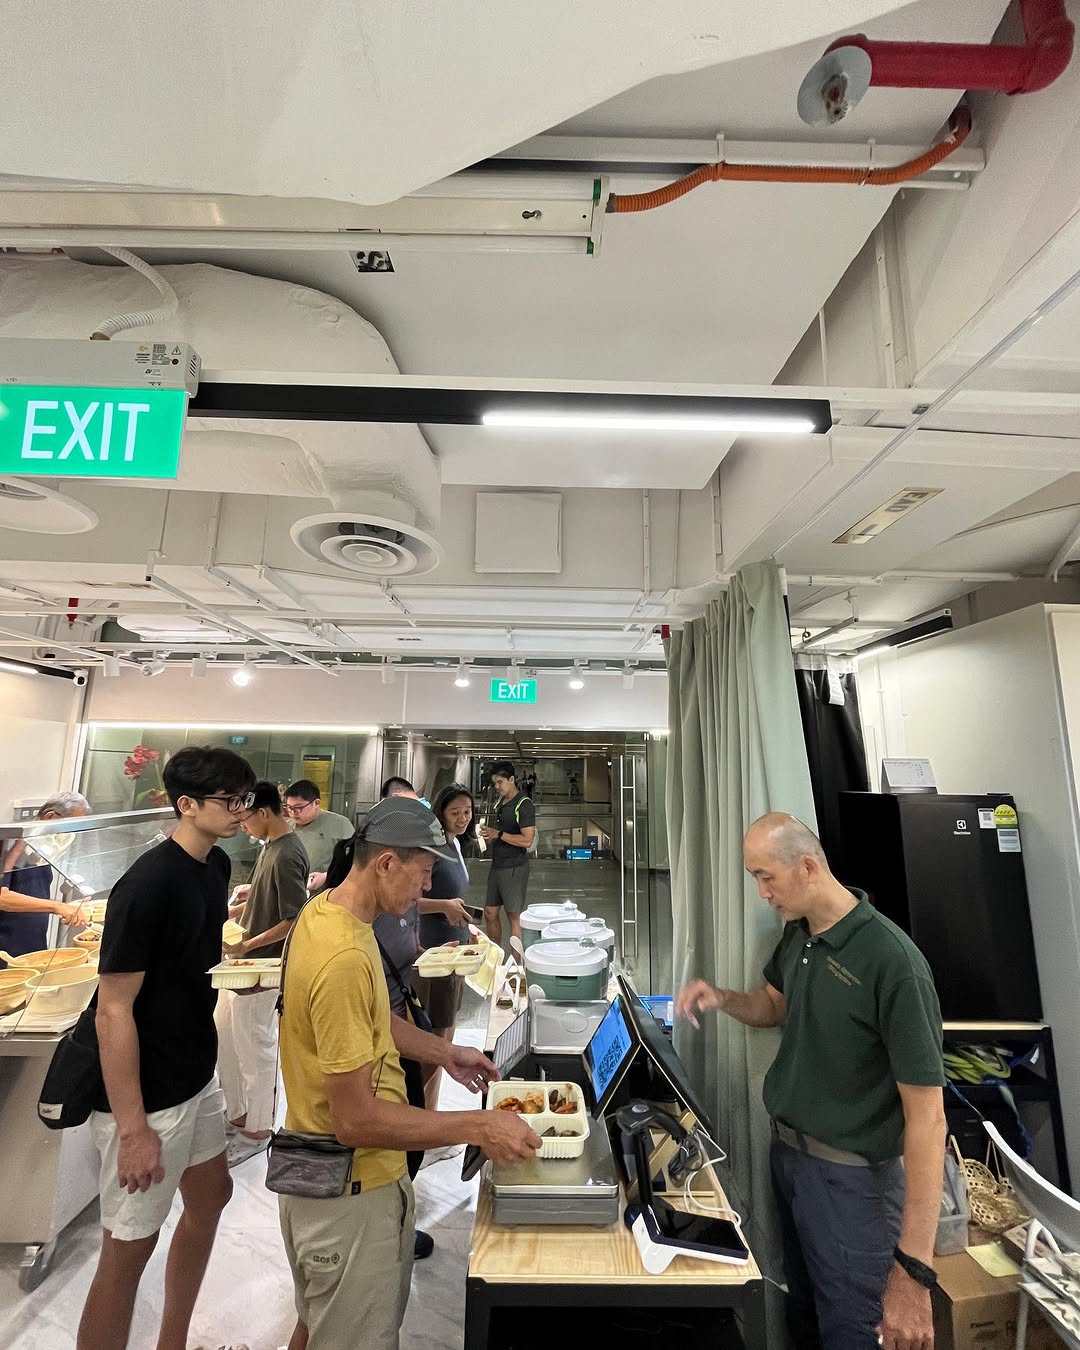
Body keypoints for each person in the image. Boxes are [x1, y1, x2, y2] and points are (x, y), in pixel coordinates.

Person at [278, 795, 540, 1350]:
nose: (426, 887)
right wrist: (478, 1126)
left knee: (316, 1324)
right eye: (422, 872)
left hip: (332, 1182)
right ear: (385, 863)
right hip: (350, 1189)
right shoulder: (344, 958)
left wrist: (444, 1053)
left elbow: (373, 1020)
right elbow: (355, 1120)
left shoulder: (327, 913)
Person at [675, 814, 946, 1350]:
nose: (762, 893)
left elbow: (929, 1119)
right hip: (791, 1162)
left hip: (853, 1185)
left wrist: (915, 1269)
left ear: (807, 866)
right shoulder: (800, 935)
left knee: (854, 1331)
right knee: (803, 1320)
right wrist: (722, 998)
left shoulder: (893, 962)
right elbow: (773, 1005)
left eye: (766, 877)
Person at [77, 747, 256, 1350]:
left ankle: (172, 1341)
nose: (241, 811)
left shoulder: (216, 865)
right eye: (230, 801)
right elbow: (113, 1009)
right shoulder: (147, 884)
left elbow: (197, 959)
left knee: (212, 1196)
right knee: (127, 1250)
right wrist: (133, 1128)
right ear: (187, 805)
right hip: (148, 1091)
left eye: (244, 799)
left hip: (195, 1073)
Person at [216, 780, 309, 1168]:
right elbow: (266, 898)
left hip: (263, 967)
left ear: (265, 812)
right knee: (228, 1038)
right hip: (244, 966)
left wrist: (247, 946)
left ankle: (259, 1130)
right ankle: (238, 1115)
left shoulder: (288, 853)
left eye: (246, 817)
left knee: (256, 1048)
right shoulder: (271, 847)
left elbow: (293, 918)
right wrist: (238, 910)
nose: (243, 825)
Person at [417, 783, 476, 1109]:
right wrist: (443, 906)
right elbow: (408, 899)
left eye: (467, 812)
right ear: (440, 813)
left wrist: (467, 922)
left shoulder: (455, 843)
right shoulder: (433, 847)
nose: (463, 818)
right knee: (436, 1041)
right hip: (434, 950)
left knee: (446, 1034)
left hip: (455, 948)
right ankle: (424, 1117)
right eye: (455, 812)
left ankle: (431, 1111)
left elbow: (454, 897)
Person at [0, 791, 91, 961]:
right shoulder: (12, 843)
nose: (72, 833)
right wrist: (56, 906)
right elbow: (2, 898)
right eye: (71, 826)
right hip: (6, 953)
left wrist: (68, 908)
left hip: (35, 947)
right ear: (50, 817)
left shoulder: (44, 849)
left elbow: (36, 896)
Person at [479, 760, 535, 947]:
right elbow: (501, 833)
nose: (497, 787)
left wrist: (499, 834)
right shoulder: (501, 802)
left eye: (500, 782)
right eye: (494, 783)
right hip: (498, 864)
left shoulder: (524, 805)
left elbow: (527, 840)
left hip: (514, 867)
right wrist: (490, 837)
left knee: (513, 916)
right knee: (490, 912)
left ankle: (516, 961)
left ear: (512, 779)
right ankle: (496, 954)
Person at [283, 779, 353, 894]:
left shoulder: (340, 824)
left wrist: (326, 876)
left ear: (316, 803)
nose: (293, 812)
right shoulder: (286, 827)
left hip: (327, 893)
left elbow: (355, 863)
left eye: (299, 807)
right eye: (289, 807)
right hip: (291, 891)